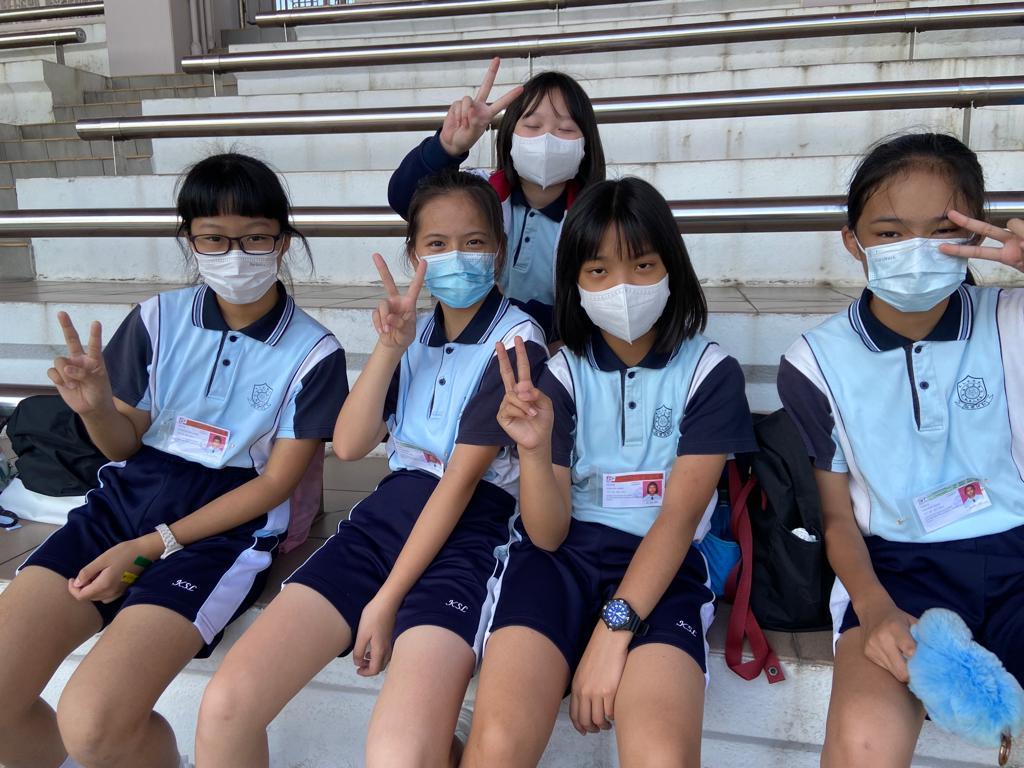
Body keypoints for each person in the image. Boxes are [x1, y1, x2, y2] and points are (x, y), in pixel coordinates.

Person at [0, 153, 348, 768]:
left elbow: (275, 485)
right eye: (213, 238)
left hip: (224, 530)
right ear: (189, 239)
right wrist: (96, 409)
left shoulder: (315, 352)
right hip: (122, 505)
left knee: (95, 725)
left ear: (283, 241)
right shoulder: (156, 318)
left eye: (255, 237)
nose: (234, 254)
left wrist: (153, 546)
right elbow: (122, 445)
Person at [195, 169, 548, 768]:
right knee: (226, 704)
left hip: (471, 534)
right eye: (436, 243)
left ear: (499, 249)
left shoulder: (517, 342)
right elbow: (351, 443)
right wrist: (388, 347)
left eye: (473, 241)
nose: (456, 256)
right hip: (384, 520)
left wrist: (384, 601)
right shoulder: (415, 331)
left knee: (399, 755)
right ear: (413, 255)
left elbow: (460, 484)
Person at [461, 177, 757, 767]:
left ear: (672, 268)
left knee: (662, 756)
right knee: (496, 749)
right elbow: (547, 535)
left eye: (643, 265)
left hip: (663, 569)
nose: (622, 287)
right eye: (598, 271)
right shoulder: (560, 374)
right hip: (556, 563)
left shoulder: (711, 372)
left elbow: (678, 520)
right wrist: (533, 450)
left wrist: (612, 628)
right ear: (574, 282)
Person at [777, 132, 1024, 768]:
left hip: (1016, 553)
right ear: (852, 241)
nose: (916, 250)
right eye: (889, 233)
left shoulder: (1013, 317)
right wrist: (877, 609)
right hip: (893, 569)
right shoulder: (813, 362)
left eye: (941, 231)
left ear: (975, 233)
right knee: (863, 745)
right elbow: (837, 516)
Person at [388, 57, 606, 336]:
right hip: (474, 341)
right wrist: (446, 148)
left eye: (564, 129)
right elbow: (404, 198)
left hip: (559, 349)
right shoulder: (480, 192)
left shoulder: (599, 217)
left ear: (586, 143)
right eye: (533, 126)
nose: (547, 138)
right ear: (509, 135)